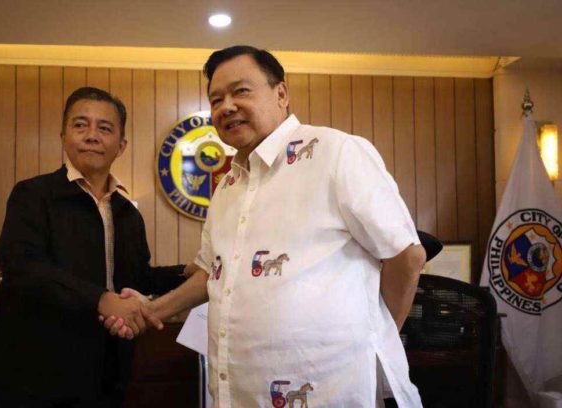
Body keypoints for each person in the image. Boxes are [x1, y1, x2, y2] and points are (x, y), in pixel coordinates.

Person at [104, 46, 427, 407]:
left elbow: (406, 256)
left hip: (330, 389)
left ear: (281, 94)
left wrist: (377, 337)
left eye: (241, 91)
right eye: (216, 99)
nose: (226, 106)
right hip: (240, 390)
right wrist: (151, 311)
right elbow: (212, 274)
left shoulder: (336, 152)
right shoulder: (226, 186)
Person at [0, 87, 189, 407]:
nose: (92, 135)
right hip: (37, 375)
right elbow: (23, 267)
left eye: (104, 128)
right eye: (81, 125)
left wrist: (185, 272)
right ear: (63, 136)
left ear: (121, 146)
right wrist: (101, 300)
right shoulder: (33, 195)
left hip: (107, 373)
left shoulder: (127, 212)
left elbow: (136, 278)